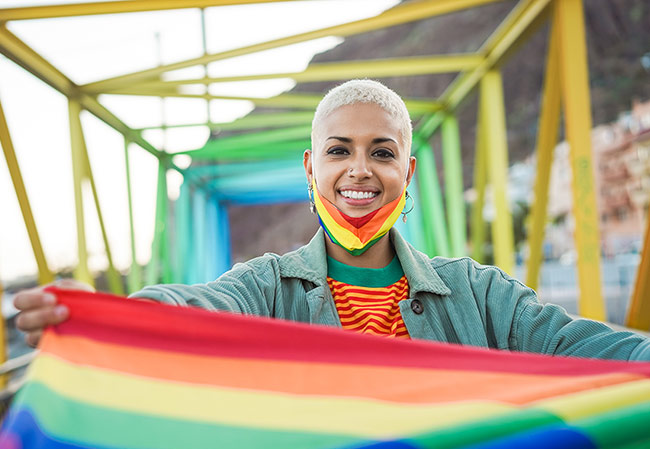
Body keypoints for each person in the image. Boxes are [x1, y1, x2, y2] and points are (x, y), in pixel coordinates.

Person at [13, 79, 650, 360]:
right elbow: (190, 308)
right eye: (338, 152)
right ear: (310, 169)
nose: (359, 172)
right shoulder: (264, 288)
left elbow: (592, 351)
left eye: (383, 152)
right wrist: (105, 318)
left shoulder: (482, 296)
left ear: (411, 172)